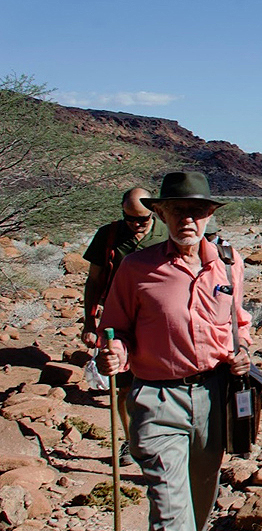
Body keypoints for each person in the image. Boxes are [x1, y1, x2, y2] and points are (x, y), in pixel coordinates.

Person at [97, 172, 252, 531]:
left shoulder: (228, 263)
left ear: (208, 215)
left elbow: (239, 323)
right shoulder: (136, 268)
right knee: (169, 503)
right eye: (178, 210)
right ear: (161, 213)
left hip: (214, 394)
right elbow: (114, 329)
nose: (188, 220)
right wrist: (114, 352)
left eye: (196, 211)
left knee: (201, 493)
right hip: (158, 399)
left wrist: (242, 353)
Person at [81, 187, 169, 466]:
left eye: (143, 219)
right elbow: (94, 280)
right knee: (123, 385)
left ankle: (163, 439)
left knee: (164, 381)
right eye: (130, 219)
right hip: (120, 319)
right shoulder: (109, 235)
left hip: (159, 320)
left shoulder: (167, 233)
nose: (137, 225)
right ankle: (132, 442)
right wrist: (89, 319)